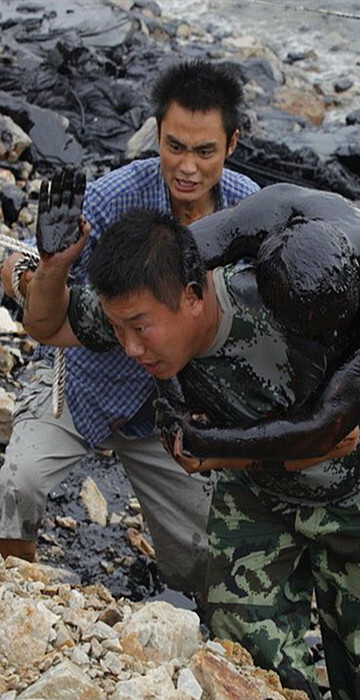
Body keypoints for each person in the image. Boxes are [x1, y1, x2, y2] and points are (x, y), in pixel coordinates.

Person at [22, 205, 360, 700]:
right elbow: (48, 324)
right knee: (246, 657)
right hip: (260, 495)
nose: (129, 348)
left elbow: (328, 443)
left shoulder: (289, 310)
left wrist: (210, 456)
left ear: (193, 296)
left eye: (139, 329)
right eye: (118, 329)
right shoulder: (141, 301)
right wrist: (55, 265)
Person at [0, 59, 259, 594]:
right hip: (87, 381)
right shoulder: (111, 198)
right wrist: (46, 265)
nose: (187, 167)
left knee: (200, 561)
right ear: (156, 134)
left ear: (231, 144)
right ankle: (18, 591)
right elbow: (29, 278)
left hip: (177, 407)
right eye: (174, 146)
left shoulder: (250, 213)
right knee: (16, 483)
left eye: (204, 151)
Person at [173, 181, 360, 468]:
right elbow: (166, 259)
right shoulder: (273, 208)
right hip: (324, 277)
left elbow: (326, 427)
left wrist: (209, 440)